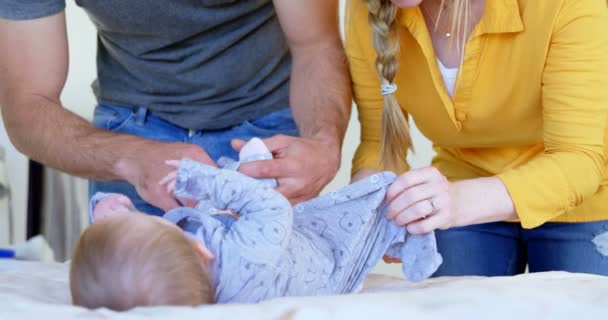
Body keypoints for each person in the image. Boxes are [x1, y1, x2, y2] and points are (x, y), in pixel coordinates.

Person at [0, 0, 351, 216]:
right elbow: (28, 105)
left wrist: (323, 143)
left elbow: (315, 45)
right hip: (131, 134)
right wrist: (131, 158)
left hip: (264, 132)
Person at [346, 0, 608, 276]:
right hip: (463, 182)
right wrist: (364, 208)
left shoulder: (566, 5)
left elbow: (577, 160)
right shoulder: (369, 7)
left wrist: (454, 202)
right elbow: (381, 144)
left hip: (586, 199)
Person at [70, 156, 442, 310]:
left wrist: (113, 213)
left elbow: (134, 257)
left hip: (273, 252)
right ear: (203, 252)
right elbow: (271, 206)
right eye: (157, 220)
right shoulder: (245, 256)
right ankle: (418, 249)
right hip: (327, 258)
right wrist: (205, 180)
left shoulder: (190, 287)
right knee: (382, 198)